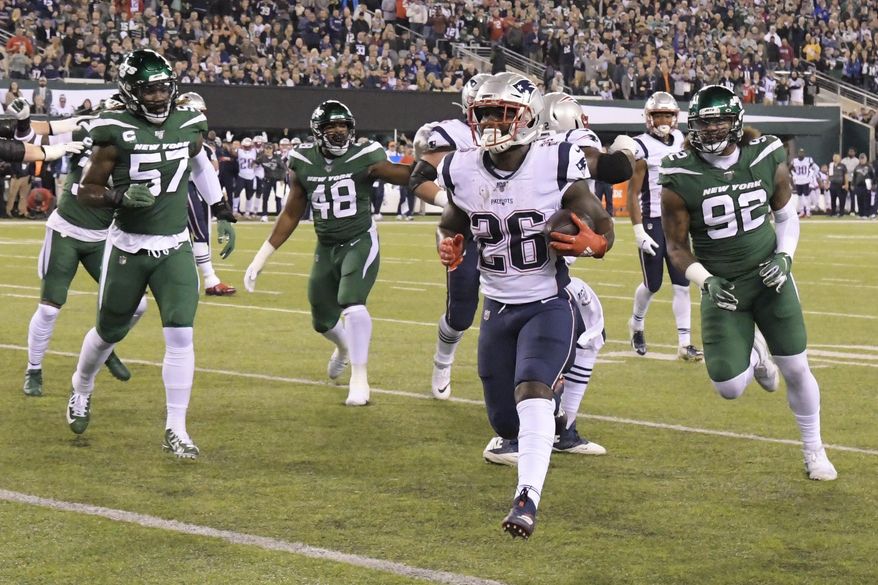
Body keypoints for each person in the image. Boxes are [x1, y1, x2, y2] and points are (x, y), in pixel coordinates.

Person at [436, 73, 615, 538]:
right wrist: (450, 245)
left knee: (533, 390)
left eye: (503, 112)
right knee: (502, 421)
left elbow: (599, 221)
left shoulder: (555, 161)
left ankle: (526, 499)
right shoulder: (461, 167)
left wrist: (595, 244)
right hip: (497, 308)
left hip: (547, 302)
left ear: (530, 117)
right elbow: (453, 220)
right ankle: (548, 431)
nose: (493, 122)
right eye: (484, 113)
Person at [661, 85, 837, 481]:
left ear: (736, 121)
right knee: (728, 387)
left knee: (795, 367)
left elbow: (786, 216)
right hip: (721, 287)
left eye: (719, 121)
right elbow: (675, 247)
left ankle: (814, 450)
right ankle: (757, 355)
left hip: (770, 279)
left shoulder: (765, 154)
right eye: (704, 123)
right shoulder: (679, 173)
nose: (710, 130)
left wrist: (785, 257)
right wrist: (705, 280)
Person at [67, 49, 227, 459]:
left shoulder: (189, 120)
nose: (157, 97)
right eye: (148, 90)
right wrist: (117, 195)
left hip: (174, 245)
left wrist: (221, 208)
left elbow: (198, 162)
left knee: (180, 333)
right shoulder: (113, 128)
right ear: (130, 92)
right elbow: (85, 189)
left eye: (162, 88)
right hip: (127, 246)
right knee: (108, 331)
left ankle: (176, 428)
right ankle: (81, 386)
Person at [243, 100, 412, 406]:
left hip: (359, 239)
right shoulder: (302, 160)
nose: (338, 131)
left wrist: (437, 176)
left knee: (352, 301)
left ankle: (359, 379)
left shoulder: (365, 154)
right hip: (326, 245)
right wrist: (261, 257)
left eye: (343, 125)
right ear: (317, 132)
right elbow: (293, 212)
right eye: (331, 126)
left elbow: (404, 175)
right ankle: (345, 348)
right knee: (321, 320)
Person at [21, 96, 143, 397]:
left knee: (136, 305)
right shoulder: (85, 128)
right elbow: (32, 136)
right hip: (67, 230)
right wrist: (24, 121)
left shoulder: (142, 141)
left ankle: (102, 344)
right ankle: (33, 369)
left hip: (103, 236)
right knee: (50, 309)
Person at [409, 72, 490, 399]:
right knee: (461, 312)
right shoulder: (453, 134)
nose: (495, 117)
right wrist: (451, 204)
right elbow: (419, 178)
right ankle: (443, 360)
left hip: (507, 228)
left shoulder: (520, 134)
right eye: (488, 109)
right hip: (464, 231)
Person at [625, 91, 703, 361]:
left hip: (677, 221)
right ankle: (636, 323)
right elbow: (631, 193)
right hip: (652, 219)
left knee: (683, 283)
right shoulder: (641, 147)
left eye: (667, 115)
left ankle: (685, 343)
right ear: (649, 117)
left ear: (675, 117)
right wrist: (638, 230)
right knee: (653, 283)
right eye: (658, 115)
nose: (663, 120)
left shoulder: (682, 141)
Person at [176, 91, 238, 296]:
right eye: (198, 112)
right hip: (170, 187)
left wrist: (220, 208)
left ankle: (208, 278)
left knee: (198, 232)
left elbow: (204, 168)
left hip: (190, 186)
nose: (202, 118)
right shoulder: (171, 132)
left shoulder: (195, 139)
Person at [790, 148, 818, 217]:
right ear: (797, 154)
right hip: (798, 181)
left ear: (804, 154)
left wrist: (812, 176)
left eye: (802, 153)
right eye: (800, 153)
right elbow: (789, 169)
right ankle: (802, 211)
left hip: (806, 180)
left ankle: (808, 211)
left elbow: (816, 168)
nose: (801, 154)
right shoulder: (794, 161)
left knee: (806, 196)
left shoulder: (808, 160)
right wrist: (794, 176)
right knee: (800, 196)